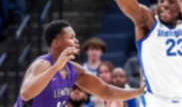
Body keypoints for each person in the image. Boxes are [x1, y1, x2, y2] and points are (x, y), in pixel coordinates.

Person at [14, 20, 145, 107]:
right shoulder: (42, 64)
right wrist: (55, 68)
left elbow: (105, 91)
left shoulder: (73, 70)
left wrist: (138, 91)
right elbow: (25, 93)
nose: (76, 41)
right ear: (56, 43)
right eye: (71, 37)